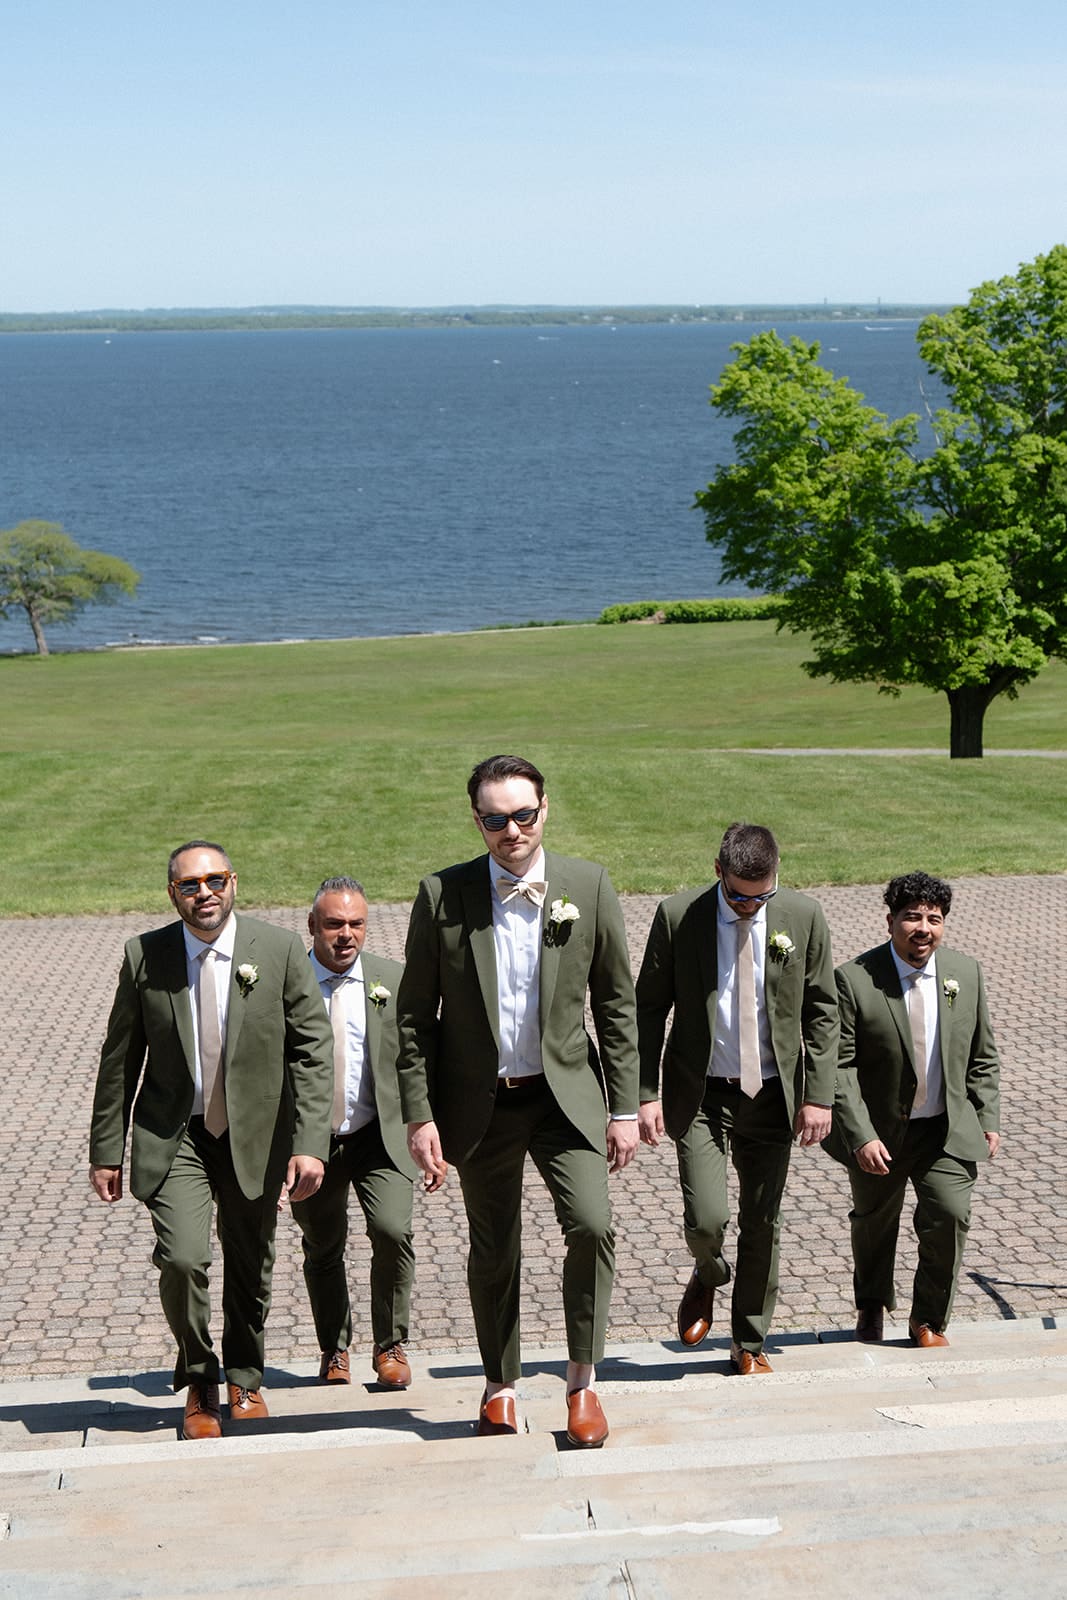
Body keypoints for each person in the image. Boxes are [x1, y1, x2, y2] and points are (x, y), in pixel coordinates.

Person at [396, 754, 639, 1447]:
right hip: (480, 1105)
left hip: (566, 1099)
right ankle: (499, 1384)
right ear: (476, 821)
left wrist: (623, 1106)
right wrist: (419, 1114)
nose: (511, 830)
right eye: (496, 819)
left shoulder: (586, 886)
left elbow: (615, 1004)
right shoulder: (442, 895)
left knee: (591, 1227)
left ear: (544, 810)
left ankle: (583, 1383)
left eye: (523, 815)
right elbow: (413, 1015)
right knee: (493, 1249)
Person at [88, 840, 333, 1440]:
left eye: (215, 880)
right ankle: (200, 1377)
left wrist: (310, 1143)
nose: (205, 894)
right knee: (183, 1258)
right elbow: (120, 1057)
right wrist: (105, 1148)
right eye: (190, 885)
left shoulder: (275, 950)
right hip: (176, 1135)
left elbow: (312, 1051)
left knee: (251, 1262)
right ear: (173, 893)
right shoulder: (145, 955)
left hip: (257, 1134)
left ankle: (245, 1375)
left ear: (234, 882)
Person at [636, 822, 839, 1373]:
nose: (750, 908)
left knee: (762, 1221)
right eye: (738, 896)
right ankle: (707, 1271)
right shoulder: (679, 917)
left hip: (773, 1098)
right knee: (707, 1217)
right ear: (717, 870)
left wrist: (818, 1095)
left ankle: (748, 1341)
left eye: (762, 897)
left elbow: (822, 1010)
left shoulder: (803, 916)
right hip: (702, 1094)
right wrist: (643, 1093)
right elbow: (648, 1007)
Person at [826, 871, 1001, 1346]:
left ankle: (927, 1320)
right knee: (874, 1225)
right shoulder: (854, 980)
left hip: (944, 1131)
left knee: (949, 1215)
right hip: (878, 1134)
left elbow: (982, 1055)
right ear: (890, 922)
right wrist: (860, 1135)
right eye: (912, 917)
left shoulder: (965, 974)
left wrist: (987, 1117)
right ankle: (871, 1305)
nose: (923, 927)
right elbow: (839, 1067)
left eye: (934, 918)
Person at [289, 876, 417, 1389]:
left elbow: (417, 1060)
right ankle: (333, 1348)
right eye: (335, 924)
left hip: (377, 1135)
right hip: (310, 1142)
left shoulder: (391, 979)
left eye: (357, 924)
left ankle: (390, 1344)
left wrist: (430, 1131)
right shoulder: (285, 979)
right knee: (323, 1246)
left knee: (393, 1231)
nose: (346, 935)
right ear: (313, 926)